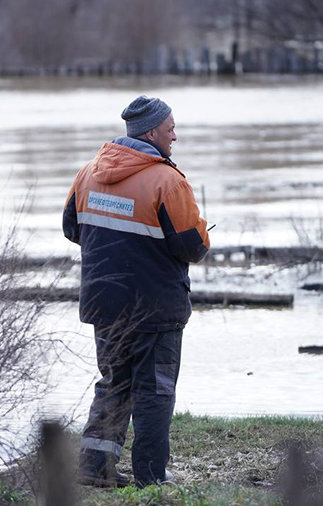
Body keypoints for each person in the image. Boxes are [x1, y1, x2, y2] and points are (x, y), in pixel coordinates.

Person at [62, 95, 210, 487]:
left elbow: (73, 230)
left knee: (114, 383)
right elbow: (192, 248)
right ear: (151, 132)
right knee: (155, 392)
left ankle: (94, 470)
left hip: (104, 303)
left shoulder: (87, 173)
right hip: (155, 309)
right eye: (170, 128)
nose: (175, 136)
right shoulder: (168, 180)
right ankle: (150, 477)